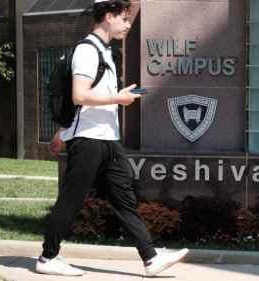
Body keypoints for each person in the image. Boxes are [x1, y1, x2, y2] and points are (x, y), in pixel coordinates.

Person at [36, 0, 188, 276]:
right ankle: (47, 258)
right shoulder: (87, 50)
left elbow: (84, 103)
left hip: (107, 140)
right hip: (89, 141)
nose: (128, 25)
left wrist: (119, 96)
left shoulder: (106, 52)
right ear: (108, 16)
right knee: (72, 199)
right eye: (124, 19)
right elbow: (79, 96)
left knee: (124, 200)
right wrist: (118, 97)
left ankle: (151, 259)